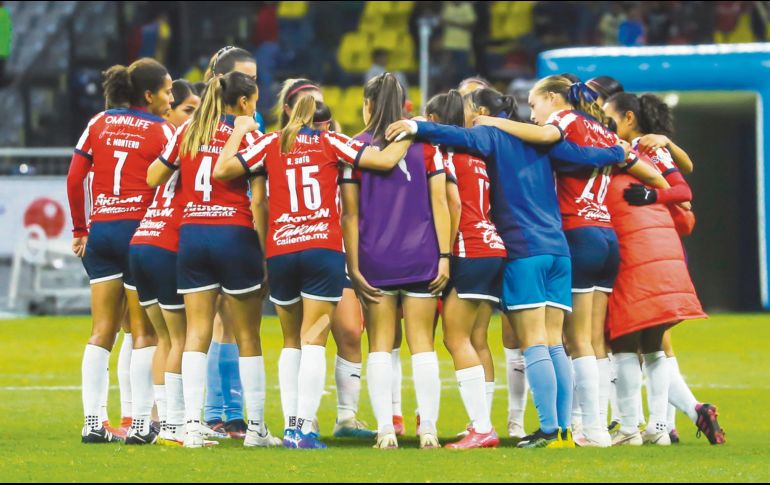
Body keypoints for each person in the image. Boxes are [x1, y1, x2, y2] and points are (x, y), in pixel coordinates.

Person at [386, 86, 632, 449]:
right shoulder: (541, 141)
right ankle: (563, 430)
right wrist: (617, 150)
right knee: (554, 345)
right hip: (559, 251)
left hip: (524, 248)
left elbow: (454, 134)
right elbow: (583, 155)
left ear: (483, 109)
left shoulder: (492, 134)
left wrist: (415, 126)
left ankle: (548, 430)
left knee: (534, 342)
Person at [215, 95, 411, 449]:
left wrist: (238, 133)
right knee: (315, 340)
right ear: (323, 123)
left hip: (282, 250)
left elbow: (224, 170)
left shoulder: (272, 142)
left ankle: (290, 424)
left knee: (291, 342)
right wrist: (413, 132)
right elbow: (383, 160)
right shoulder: (330, 141)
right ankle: (302, 430)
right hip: (321, 249)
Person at [473, 76, 621, 447]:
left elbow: (550, 139)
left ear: (553, 99)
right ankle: (587, 427)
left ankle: (560, 427)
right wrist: (620, 154)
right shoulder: (599, 130)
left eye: (536, 105)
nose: (534, 115)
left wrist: (491, 123)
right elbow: (581, 156)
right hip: (588, 236)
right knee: (575, 341)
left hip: (560, 237)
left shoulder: (562, 123)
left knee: (550, 341)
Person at [146, 70, 281, 448]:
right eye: (254, 101)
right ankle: (255, 429)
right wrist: (264, 254)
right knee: (247, 335)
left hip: (192, 237)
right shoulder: (250, 136)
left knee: (196, 333)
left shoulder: (187, 131)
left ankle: (190, 425)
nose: (255, 108)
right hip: (234, 235)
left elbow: (154, 176)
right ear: (242, 103)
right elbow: (258, 200)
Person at [604, 92, 725, 446]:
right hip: (660, 247)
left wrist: (650, 196)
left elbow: (683, 190)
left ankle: (632, 426)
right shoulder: (648, 146)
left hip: (643, 248)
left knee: (629, 340)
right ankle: (660, 426)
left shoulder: (636, 148)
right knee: (654, 345)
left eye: (609, 117)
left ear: (627, 118)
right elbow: (684, 173)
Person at [342, 73, 452, 450]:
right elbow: (441, 201)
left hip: (375, 258)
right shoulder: (426, 146)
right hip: (422, 255)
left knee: (380, 345)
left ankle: (386, 430)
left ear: (368, 105)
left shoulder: (354, 147)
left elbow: (350, 214)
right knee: (422, 344)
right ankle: (430, 431)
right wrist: (445, 256)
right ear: (406, 105)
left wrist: (354, 265)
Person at [67, 58, 173, 443]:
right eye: (167, 90)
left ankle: (93, 423)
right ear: (148, 94)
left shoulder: (98, 122)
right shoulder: (161, 130)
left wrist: (81, 228)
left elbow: (76, 175)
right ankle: (141, 424)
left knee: (101, 331)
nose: (171, 97)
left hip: (101, 231)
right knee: (142, 331)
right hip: (138, 231)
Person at [272, 78, 375, 439]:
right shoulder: (278, 145)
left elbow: (350, 209)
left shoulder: (334, 141)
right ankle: (303, 421)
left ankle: (346, 417)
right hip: (302, 247)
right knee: (306, 337)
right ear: (288, 109)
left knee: (349, 328)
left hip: (331, 251)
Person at [423, 90, 504, 449]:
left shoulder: (445, 155)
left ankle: (483, 427)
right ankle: (479, 422)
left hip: (468, 248)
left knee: (454, 338)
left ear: (437, 121)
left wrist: (445, 250)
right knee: (477, 339)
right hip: (493, 245)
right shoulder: (479, 156)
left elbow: (453, 202)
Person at [456, 77, 530, 440]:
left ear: (482, 111)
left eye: (468, 102)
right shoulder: (514, 139)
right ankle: (489, 421)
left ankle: (500, 422)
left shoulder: (482, 140)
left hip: (499, 242)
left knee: (517, 337)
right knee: (484, 337)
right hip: (501, 241)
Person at [200, 46, 261, 439]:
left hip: (199, 231)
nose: (255, 85)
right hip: (227, 228)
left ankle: (220, 411)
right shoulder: (236, 125)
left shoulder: (199, 124)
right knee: (224, 323)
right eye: (248, 78)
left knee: (220, 323)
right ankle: (221, 411)